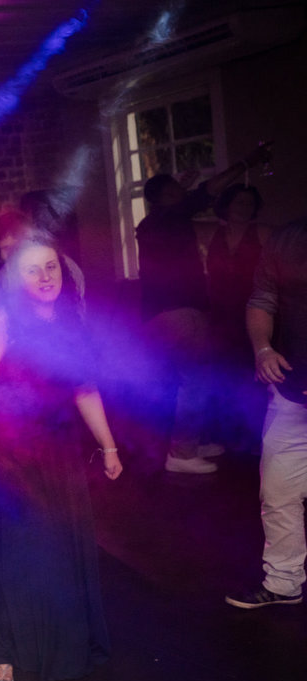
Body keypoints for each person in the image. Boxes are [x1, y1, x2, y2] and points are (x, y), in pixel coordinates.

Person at [0, 231, 123, 681]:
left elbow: (84, 388)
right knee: (16, 550)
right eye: (33, 270)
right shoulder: (2, 323)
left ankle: (64, 641)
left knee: (61, 547)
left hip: (60, 451)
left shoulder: (70, 321)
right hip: (9, 455)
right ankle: (2, 647)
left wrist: (108, 446)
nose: (46, 277)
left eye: (51, 267)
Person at [136, 143, 273, 474]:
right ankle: (182, 453)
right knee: (194, 380)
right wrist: (247, 161)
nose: (183, 193)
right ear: (166, 197)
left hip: (169, 312)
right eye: (175, 190)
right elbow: (208, 190)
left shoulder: (157, 222)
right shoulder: (170, 217)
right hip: (180, 310)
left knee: (194, 378)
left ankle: (192, 441)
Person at [225, 219, 307, 610]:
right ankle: (284, 582)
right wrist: (263, 349)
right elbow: (262, 300)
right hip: (292, 391)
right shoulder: (286, 239)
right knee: (278, 492)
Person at [201, 184, 272, 451]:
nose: (244, 207)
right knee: (222, 373)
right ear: (227, 205)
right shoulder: (212, 233)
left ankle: (256, 436)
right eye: (239, 202)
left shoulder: (263, 232)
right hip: (220, 315)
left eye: (249, 203)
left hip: (254, 311)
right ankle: (226, 435)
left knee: (254, 373)